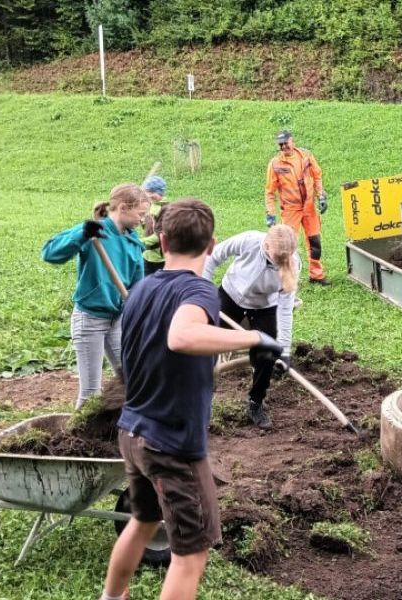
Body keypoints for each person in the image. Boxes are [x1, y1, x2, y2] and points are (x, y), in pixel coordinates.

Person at [99, 199, 283, 600]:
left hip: (133, 433)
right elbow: (181, 336)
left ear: (162, 242)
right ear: (213, 245)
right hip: (172, 446)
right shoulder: (200, 291)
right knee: (191, 553)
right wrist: (253, 338)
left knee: (143, 521)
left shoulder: (141, 289)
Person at [42, 183, 149, 409]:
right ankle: (77, 439)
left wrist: (138, 304)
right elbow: (50, 253)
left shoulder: (133, 241)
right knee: (91, 392)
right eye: (140, 214)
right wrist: (81, 233)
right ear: (122, 208)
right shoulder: (94, 233)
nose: (143, 219)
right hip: (90, 319)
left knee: (132, 379)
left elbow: (138, 284)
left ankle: (118, 430)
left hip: (117, 320)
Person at [203, 224, 300, 430]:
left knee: (267, 355)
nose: (280, 262)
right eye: (276, 257)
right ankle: (201, 397)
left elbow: (284, 309)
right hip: (230, 297)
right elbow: (213, 257)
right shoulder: (249, 240)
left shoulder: (293, 263)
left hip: (265, 307)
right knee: (207, 345)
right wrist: (203, 289)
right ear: (266, 245)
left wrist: (284, 350)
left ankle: (256, 402)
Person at [264, 129, 331, 286]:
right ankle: (287, 277)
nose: (283, 147)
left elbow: (317, 176)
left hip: (309, 208)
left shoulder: (306, 156)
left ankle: (316, 275)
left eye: (285, 143)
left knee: (315, 242)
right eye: (280, 145)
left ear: (292, 141)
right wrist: (270, 213)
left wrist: (321, 195)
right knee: (288, 245)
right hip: (290, 211)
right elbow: (269, 191)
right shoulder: (275, 164)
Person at [141, 175, 168, 275]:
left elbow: (159, 235)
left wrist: (140, 242)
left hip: (159, 257)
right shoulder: (151, 206)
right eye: (148, 192)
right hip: (148, 254)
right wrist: (143, 221)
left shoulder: (165, 209)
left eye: (153, 192)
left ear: (161, 192)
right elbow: (148, 228)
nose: (149, 195)